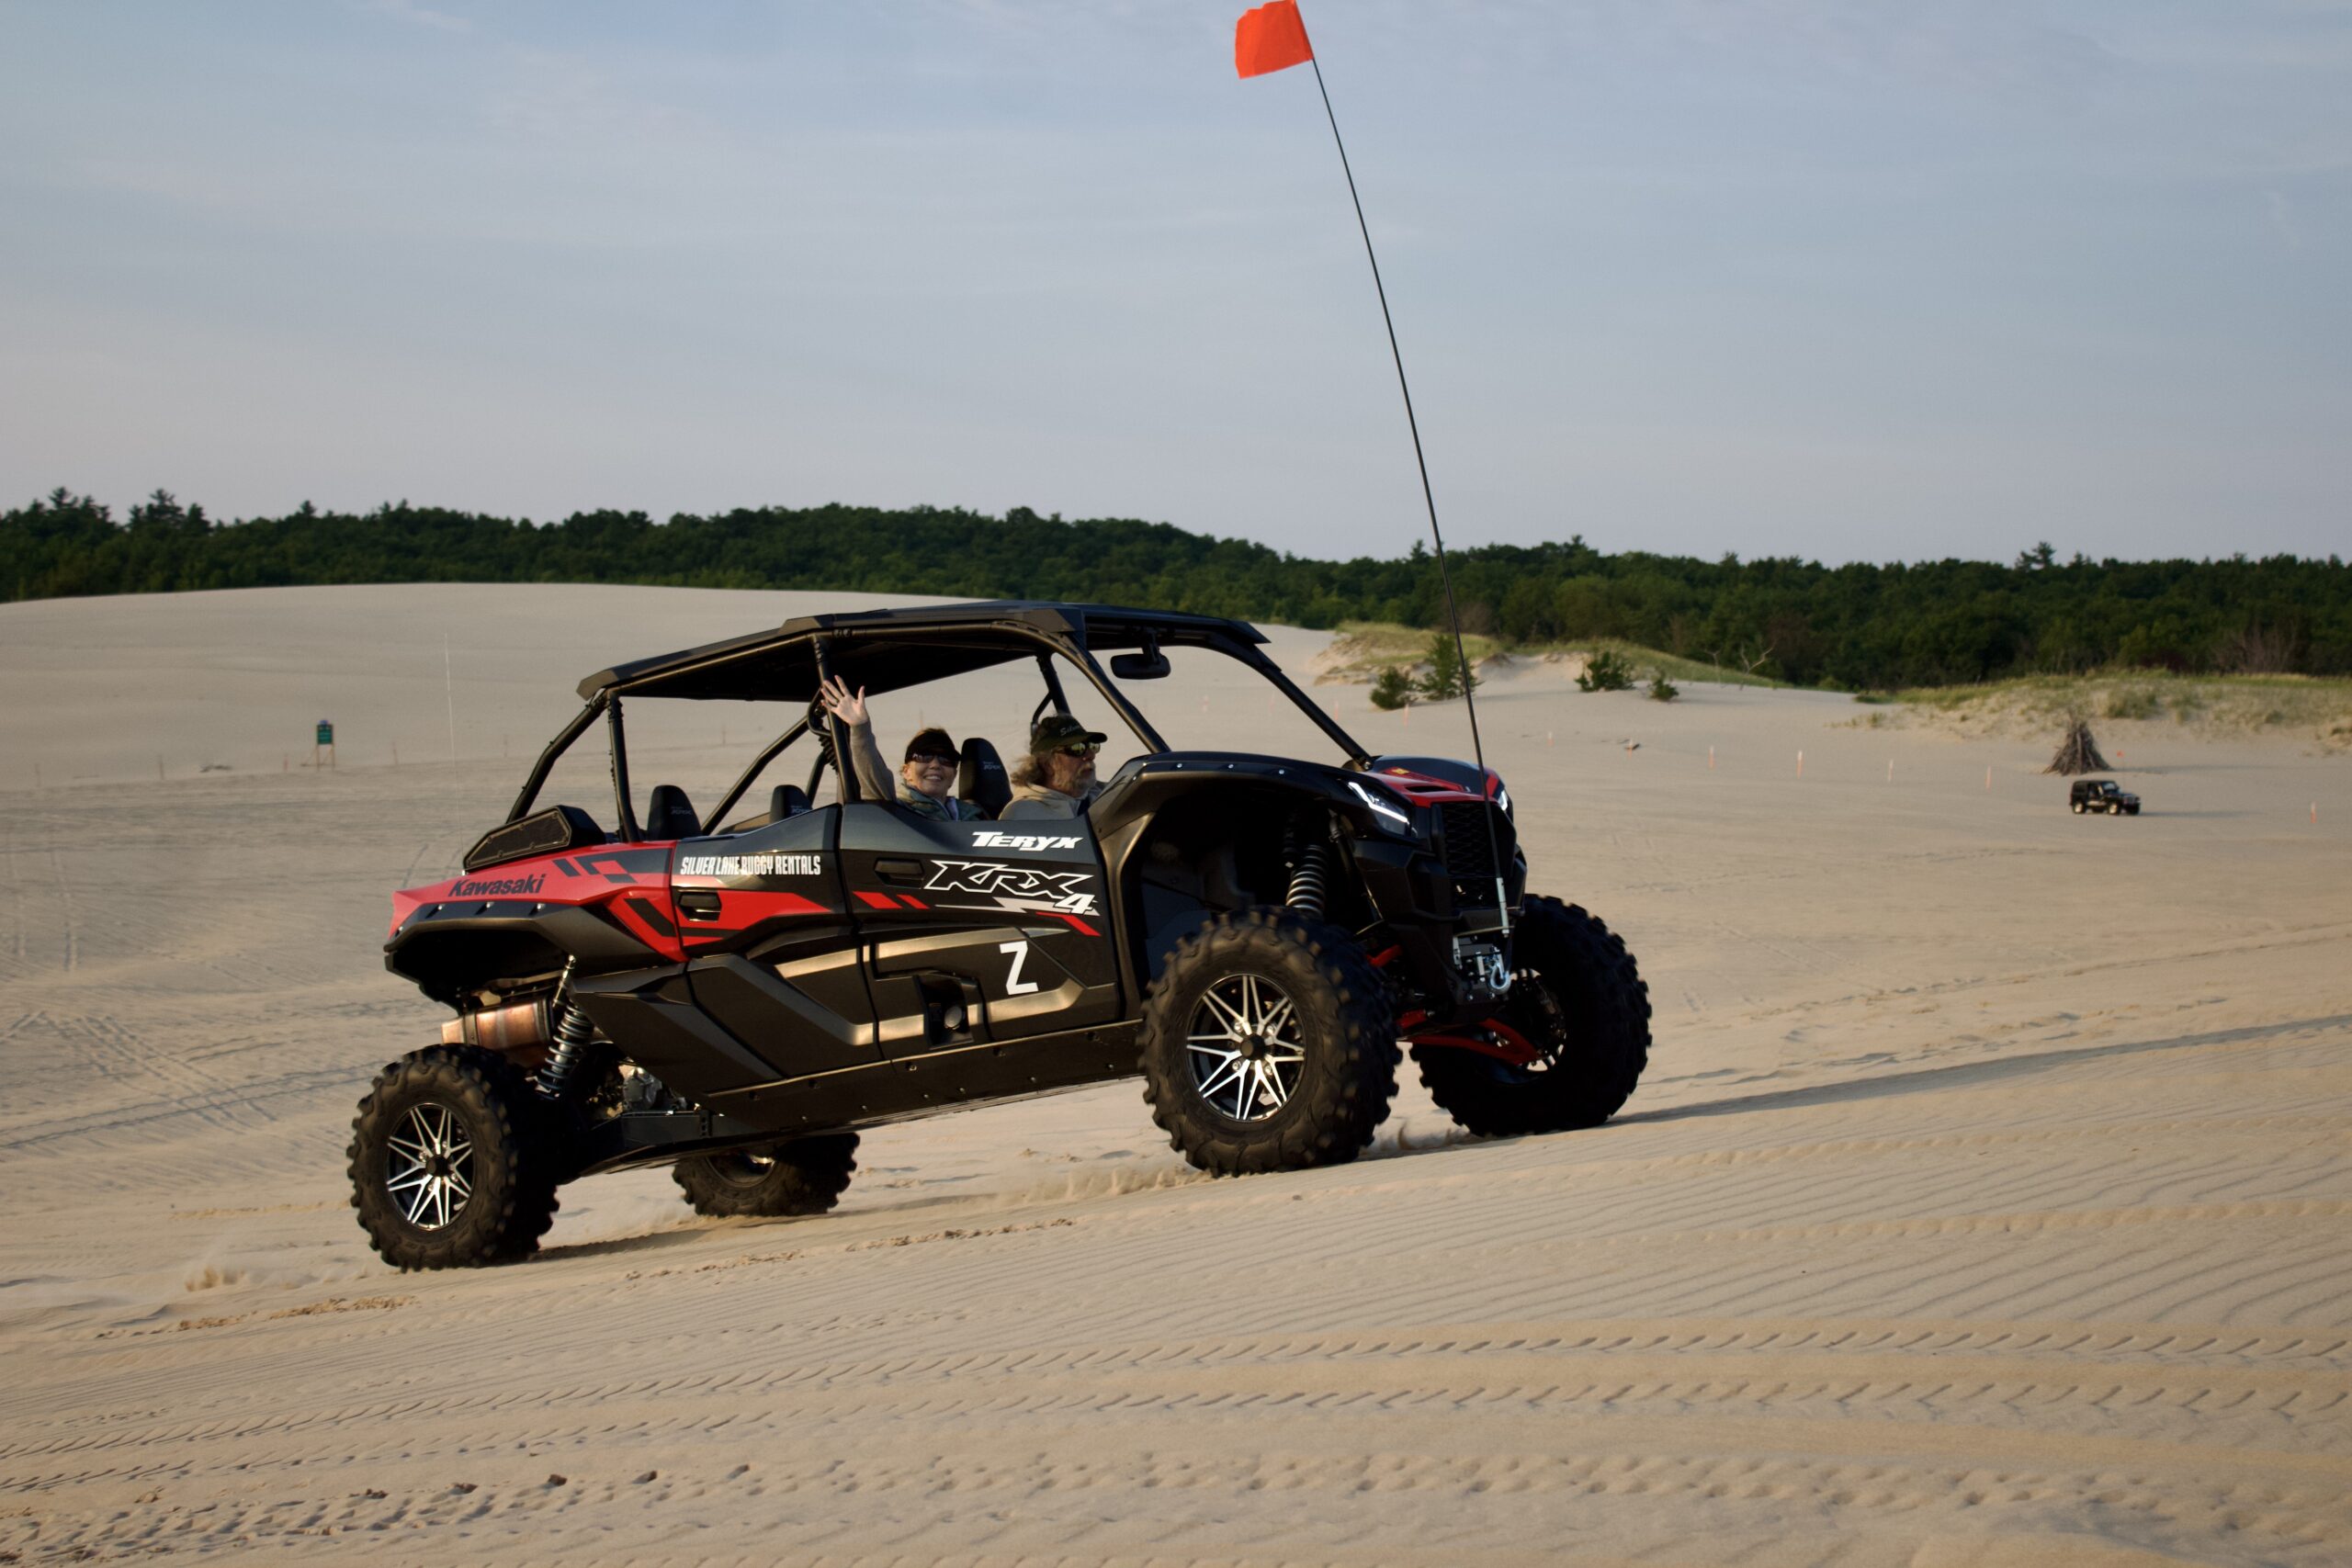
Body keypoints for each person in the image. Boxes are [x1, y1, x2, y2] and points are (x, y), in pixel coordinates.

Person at [817, 675, 975, 821]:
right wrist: (860, 728)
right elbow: (875, 780)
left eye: (946, 759)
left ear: (954, 774)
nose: (935, 765)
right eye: (924, 756)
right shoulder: (896, 811)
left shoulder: (973, 816)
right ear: (906, 771)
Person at [1001, 713, 1106, 819]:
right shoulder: (1024, 814)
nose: (1091, 755)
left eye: (1092, 746)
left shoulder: (1107, 795)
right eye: (1077, 749)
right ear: (1048, 765)